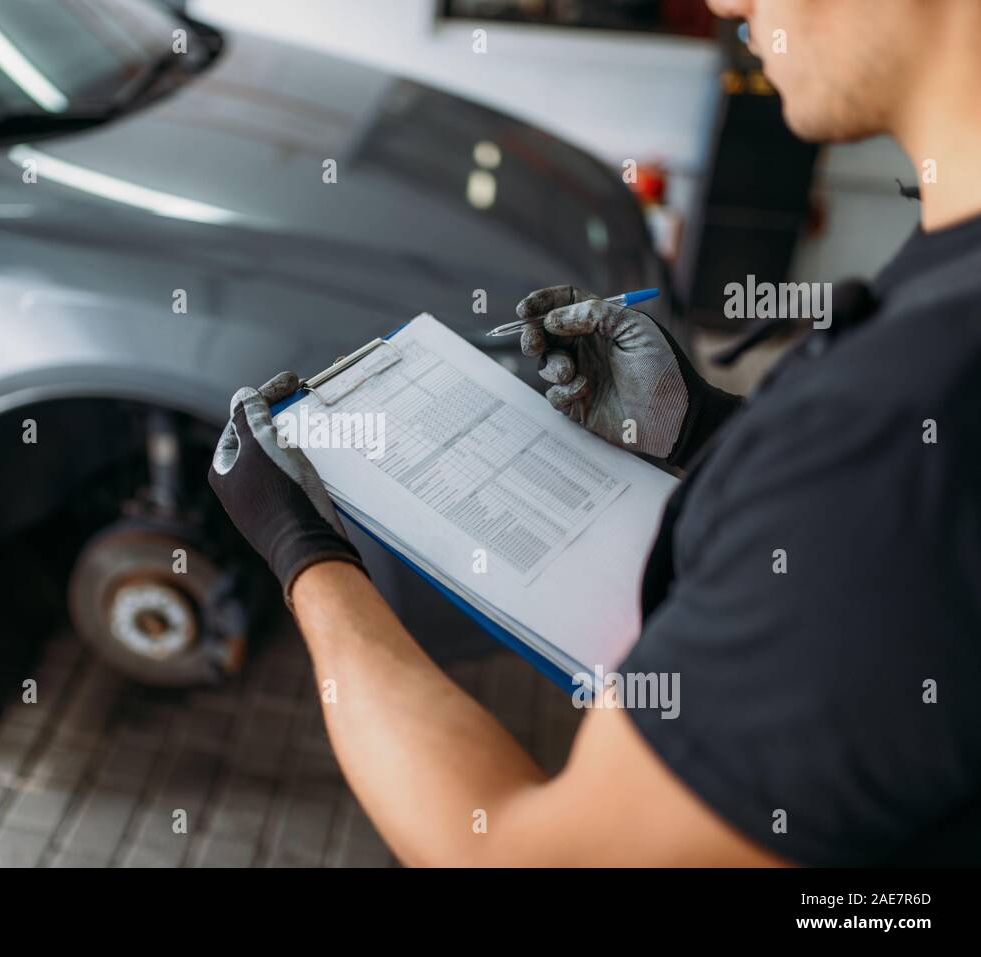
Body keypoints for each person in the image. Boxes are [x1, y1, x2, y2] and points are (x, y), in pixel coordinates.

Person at [209, 0, 981, 866]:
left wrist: (303, 552)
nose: (725, 2)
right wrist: (706, 431)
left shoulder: (901, 428)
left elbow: (513, 854)